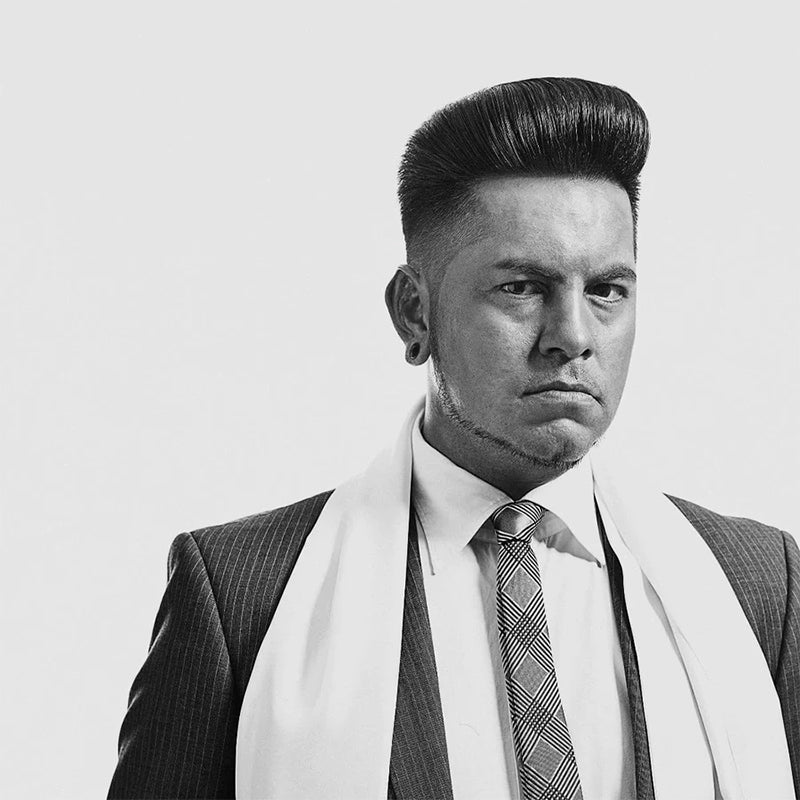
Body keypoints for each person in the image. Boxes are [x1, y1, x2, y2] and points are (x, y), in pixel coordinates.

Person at [108, 78, 799, 800]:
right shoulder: (241, 594)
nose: (573, 336)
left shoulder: (755, 585)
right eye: (522, 287)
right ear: (414, 312)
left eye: (606, 290)